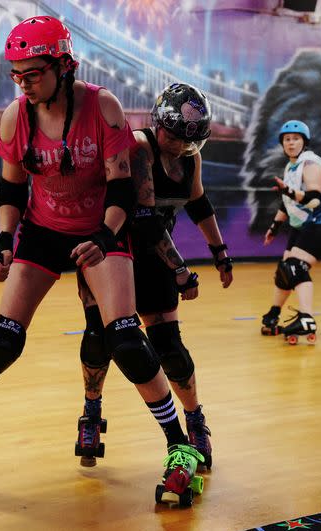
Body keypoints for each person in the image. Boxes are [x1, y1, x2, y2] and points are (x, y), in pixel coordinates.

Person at [0, 16, 203, 506]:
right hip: (43, 230)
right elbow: (10, 187)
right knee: (4, 337)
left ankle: (180, 451)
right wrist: (4, 240)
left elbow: (122, 188)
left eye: (32, 72)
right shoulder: (15, 116)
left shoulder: (102, 107)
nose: (23, 83)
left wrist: (105, 236)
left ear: (63, 66)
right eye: (16, 74)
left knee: (126, 340)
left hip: (102, 228)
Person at [73, 83, 233, 474]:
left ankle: (195, 420)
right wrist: (180, 268)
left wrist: (220, 252)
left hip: (155, 260)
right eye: (175, 136)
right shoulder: (139, 148)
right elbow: (143, 222)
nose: (180, 146)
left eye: (189, 140)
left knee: (170, 348)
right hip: (112, 254)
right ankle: (91, 414)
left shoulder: (190, 160)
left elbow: (198, 204)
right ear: (158, 123)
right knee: (100, 339)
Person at [260, 120, 321, 344]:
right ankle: (274, 313)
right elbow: (288, 202)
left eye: (296, 139)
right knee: (284, 271)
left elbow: (314, 200)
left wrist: (288, 190)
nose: (291, 142)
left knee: (295, 267)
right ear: (282, 144)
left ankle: (307, 319)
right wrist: (275, 227)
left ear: (304, 142)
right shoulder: (291, 167)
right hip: (303, 224)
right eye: (287, 139)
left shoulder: (310, 164)